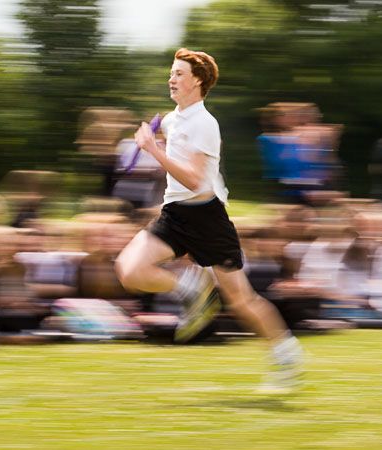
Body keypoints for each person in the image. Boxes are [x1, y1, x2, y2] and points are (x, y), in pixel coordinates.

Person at [114, 48, 303, 393]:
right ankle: (192, 290)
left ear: (198, 80)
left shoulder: (205, 123)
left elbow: (195, 181)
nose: (171, 79)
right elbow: (171, 152)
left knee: (241, 300)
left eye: (179, 74)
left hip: (207, 218)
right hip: (174, 213)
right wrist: (153, 136)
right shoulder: (173, 119)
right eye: (171, 73)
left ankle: (285, 354)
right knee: (129, 270)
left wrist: (152, 149)